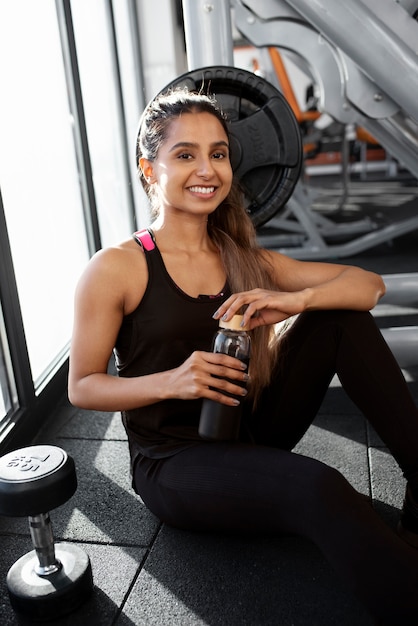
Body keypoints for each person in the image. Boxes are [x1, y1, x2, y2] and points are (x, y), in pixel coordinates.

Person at [68, 87, 418, 625]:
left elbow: (367, 286)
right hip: (175, 463)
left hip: (248, 426)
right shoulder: (117, 267)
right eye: (185, 154)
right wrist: (174, 381)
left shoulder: (242, 257)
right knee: (317, 486)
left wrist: (297, 301)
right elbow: (83, 386)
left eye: (218, 153)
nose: (206, 169)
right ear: (149, 168)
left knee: (338, 316)